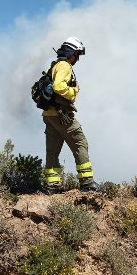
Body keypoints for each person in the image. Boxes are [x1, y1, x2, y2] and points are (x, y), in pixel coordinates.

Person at [42, 36, 99, 194]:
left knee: (52, 150)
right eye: (77, 55)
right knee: (80, 143)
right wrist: (74, 91)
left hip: (49, 115)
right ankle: (87, 182)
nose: (77, 59)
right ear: (70, 53)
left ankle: (51, 186)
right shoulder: (65, 66)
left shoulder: (53, 66)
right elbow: (59, 87)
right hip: (62, 114)